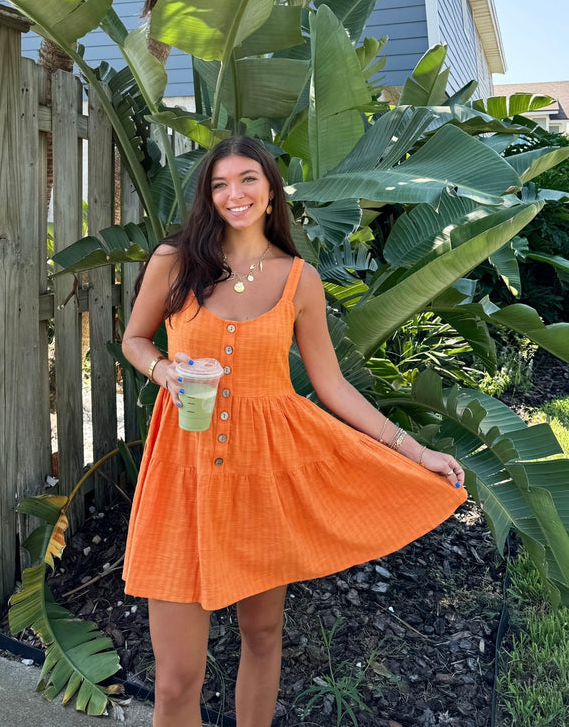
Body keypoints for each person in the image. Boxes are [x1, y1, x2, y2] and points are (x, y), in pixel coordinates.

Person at [122, 135, 467, 727]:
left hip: (266, 477)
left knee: (263, 635)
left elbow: (332, 386)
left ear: (271, 189)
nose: (235, 194)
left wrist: (414, 451)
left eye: (248, 179)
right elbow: (135, 339)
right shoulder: (174, 262)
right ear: (209, 196)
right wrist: (163, 371)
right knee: (176, 679)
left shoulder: (299, 279)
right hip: (183, 476)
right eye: (220, 184)